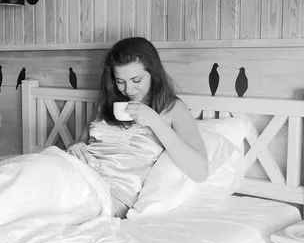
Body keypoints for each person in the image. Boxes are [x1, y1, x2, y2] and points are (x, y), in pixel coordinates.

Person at [66, 37, 208, 218]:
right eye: (120, 81)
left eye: (136, 80)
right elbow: (82, 142)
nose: (128, 89)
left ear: (153, 73)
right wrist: (75, 145)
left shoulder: (173, 109)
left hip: (111, 195)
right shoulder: (107, 104)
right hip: (76, 175)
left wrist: (155, 121)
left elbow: (200, 171)